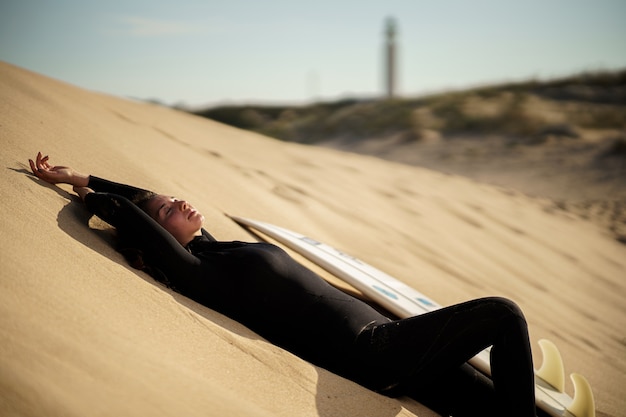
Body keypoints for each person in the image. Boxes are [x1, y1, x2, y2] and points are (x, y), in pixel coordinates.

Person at [29, 152, 537, 417]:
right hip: (374, 354)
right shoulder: (200, 273)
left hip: (401, 348)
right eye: (168, 210)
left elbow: (140, 200)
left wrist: (89, 175)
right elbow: (128, 213)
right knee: (504, 313)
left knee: (498, 406)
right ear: (160, 236)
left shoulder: (214, 246)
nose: (179, 202)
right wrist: (87, 193)